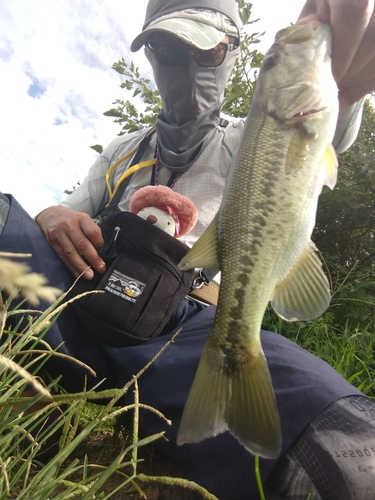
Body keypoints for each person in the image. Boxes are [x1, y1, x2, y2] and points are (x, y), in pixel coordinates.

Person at [1, 0, 375, 498]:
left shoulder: (257, 132)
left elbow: (328, 118)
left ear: (234, 55)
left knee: (346, 452)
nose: (187, 67)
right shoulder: (122, 148)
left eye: (207, 51)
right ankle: (33, 422)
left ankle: (189, 433)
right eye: (167, 50)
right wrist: (54, 216)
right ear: (150, 55)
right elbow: (60, 212)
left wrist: (344, 80)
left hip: (190, 328)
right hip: (87, 299)